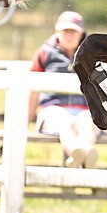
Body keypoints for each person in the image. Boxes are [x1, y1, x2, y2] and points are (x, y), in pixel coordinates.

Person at [29, 11, 100, 169]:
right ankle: (75, 152)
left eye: (73, 32)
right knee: (63, 123)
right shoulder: (44, 53)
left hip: (83, 109)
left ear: (81, 34)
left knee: (88, 123)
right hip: (52, 108)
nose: (69, 36)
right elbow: (33, 88)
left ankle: (87, 152)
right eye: (65, 31)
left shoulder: (91, 56)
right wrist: (26, 120)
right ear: (57, 32)